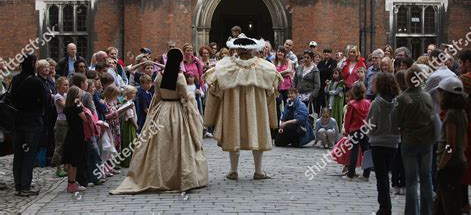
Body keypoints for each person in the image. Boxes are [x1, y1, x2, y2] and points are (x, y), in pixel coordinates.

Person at [111, 48, 208, 194]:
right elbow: (184, 96)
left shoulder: (159, 76)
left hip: (162, 110)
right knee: (179, 142)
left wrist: (152, 114)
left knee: (158, 144)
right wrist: (191, 104)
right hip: (177, 110)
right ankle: (179, 176)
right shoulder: (179, 76)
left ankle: (156, 173)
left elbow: (157, 97)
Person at [204, 34, 282, 180]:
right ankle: (258, 171)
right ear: (253, 50)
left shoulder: (225, 66)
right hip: (257, 109)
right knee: (257, 133)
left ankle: (234, 170)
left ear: (237, 50)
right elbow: (272, 91)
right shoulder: (265, 67)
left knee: (234, 134)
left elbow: (215, 88)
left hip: (233, 108)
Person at [394, 64, 436, 215]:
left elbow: (396, 122)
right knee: (426, 177)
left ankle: (412, 212)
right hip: (426, 142)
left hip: (409, 141)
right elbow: (433, 120)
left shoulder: (402, 98)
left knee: (411, 179)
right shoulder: (427, 96)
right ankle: (427, 211)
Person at [10, 55, 48, 196]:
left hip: (17, 122)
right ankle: (25, 186)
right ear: (33, 63)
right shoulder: (36, 82)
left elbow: (12, 99)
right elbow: (46, 100)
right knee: (29, 155)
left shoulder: (15, 79)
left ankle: (18, 185)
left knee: (19, 154)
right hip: (32, 122)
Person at [434, 77, 468, 215]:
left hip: (450, 165)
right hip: (458, 162)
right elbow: (464, 141)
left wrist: (441, 165)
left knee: (450, 206)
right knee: (440, 205)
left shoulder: (451, 116)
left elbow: (450, 145)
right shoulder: (462, 113)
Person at [367, 73, 400, 215]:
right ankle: (386, 206)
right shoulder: (397, 102)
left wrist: (370, 135)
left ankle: (385, 207)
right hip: (393, 143)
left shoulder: (377, 103)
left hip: (378, 142)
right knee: (387, 174)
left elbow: (370, 125)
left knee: (381, 177)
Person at [342, 82, 371, 181]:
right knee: (366, 151)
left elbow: (348, 119)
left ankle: (350, 174)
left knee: (353, 151)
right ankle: (366, 174)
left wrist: (346, 130)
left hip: (354, 130)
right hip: (365, 130)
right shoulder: (368, 103)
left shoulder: (351, 104)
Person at [62, 86, 88, 193]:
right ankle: (71, 184)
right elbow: (85, 119)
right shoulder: (76, 108)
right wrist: (81, 106)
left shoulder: (67, 108)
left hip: (71, 134)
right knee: (74, 161)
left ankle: (71, 182)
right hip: (78, 136)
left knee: (72, 160)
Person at [458, 49, 471, 213]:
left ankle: (464, 203)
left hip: (467, 128)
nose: (460, 66)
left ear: (468, 62)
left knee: (463, 166)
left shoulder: (464, 80)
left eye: (461, 62)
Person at [293, 49, 321, 118]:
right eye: (304, 57)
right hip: (299, 95)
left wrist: (313, 95)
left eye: (308, 57)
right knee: (298, 114)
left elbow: (317, 85)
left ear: (311, 58)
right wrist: (294, 91)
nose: (305, 59)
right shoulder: (299, 68)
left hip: (309, 96)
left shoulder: (315, 70)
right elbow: (295, 80)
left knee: (308, 115)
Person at [51, 77, 69, 177]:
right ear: (58, 86)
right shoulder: (57, 96)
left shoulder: (66, 95)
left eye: (67, 85)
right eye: (65, 85)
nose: (67, 87)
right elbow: (65, 107)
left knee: (66, 145)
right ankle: (59, 167)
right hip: (61, 123)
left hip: (67, 122)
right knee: (60, 145)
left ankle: (66, 166)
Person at [120, 86, 138, 168]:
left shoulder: (130, 101)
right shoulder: (126, 102)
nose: (134, 95)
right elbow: (130, 115)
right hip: (129, 125)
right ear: (128, 93)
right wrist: (136, 126)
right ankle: (128, 161)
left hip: (130, 124)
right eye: (133, 93)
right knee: (129, 142)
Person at [316, 47, 337, 112]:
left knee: (328, 102)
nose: (326, 53)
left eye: (328, 52)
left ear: (331, 54)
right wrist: (326, 69)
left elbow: (331, 71)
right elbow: (317, 71)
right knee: (321, 101)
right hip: (321, 84)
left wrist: (323, 70)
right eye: (325, 52)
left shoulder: (333, 62)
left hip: (329, 85)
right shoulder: (321, 62)